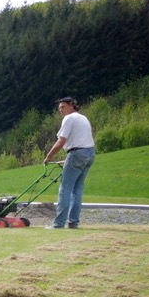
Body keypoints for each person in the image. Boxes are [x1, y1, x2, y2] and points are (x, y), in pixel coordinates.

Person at [43, 96, 95, 229]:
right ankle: (73, 222)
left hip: (77, 153)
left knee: (65, 189)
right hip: (89, 153)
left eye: (63, 107)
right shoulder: (83, 118)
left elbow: (61, 141)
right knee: (77, 189)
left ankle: (58, 223)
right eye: (59, 108)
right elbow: (81, 140)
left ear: (72, 105)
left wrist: (49, 157)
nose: (60, 110)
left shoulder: (69, 118)